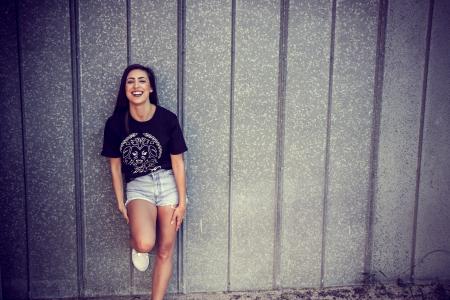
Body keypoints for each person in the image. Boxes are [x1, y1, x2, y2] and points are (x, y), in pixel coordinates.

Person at [101, 64, 187, 300]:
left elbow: (178, 162)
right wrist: (121, 201)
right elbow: (115, 166)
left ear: (150, 88)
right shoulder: (115, 124)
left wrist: (182, 202)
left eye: (141, 81)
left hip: (167, 182)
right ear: (125, 89)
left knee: (165, 249)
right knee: (145, 242)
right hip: (138, 185)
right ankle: (137, 247)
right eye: (130, 81)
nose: (136, 85)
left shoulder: (167, 119)